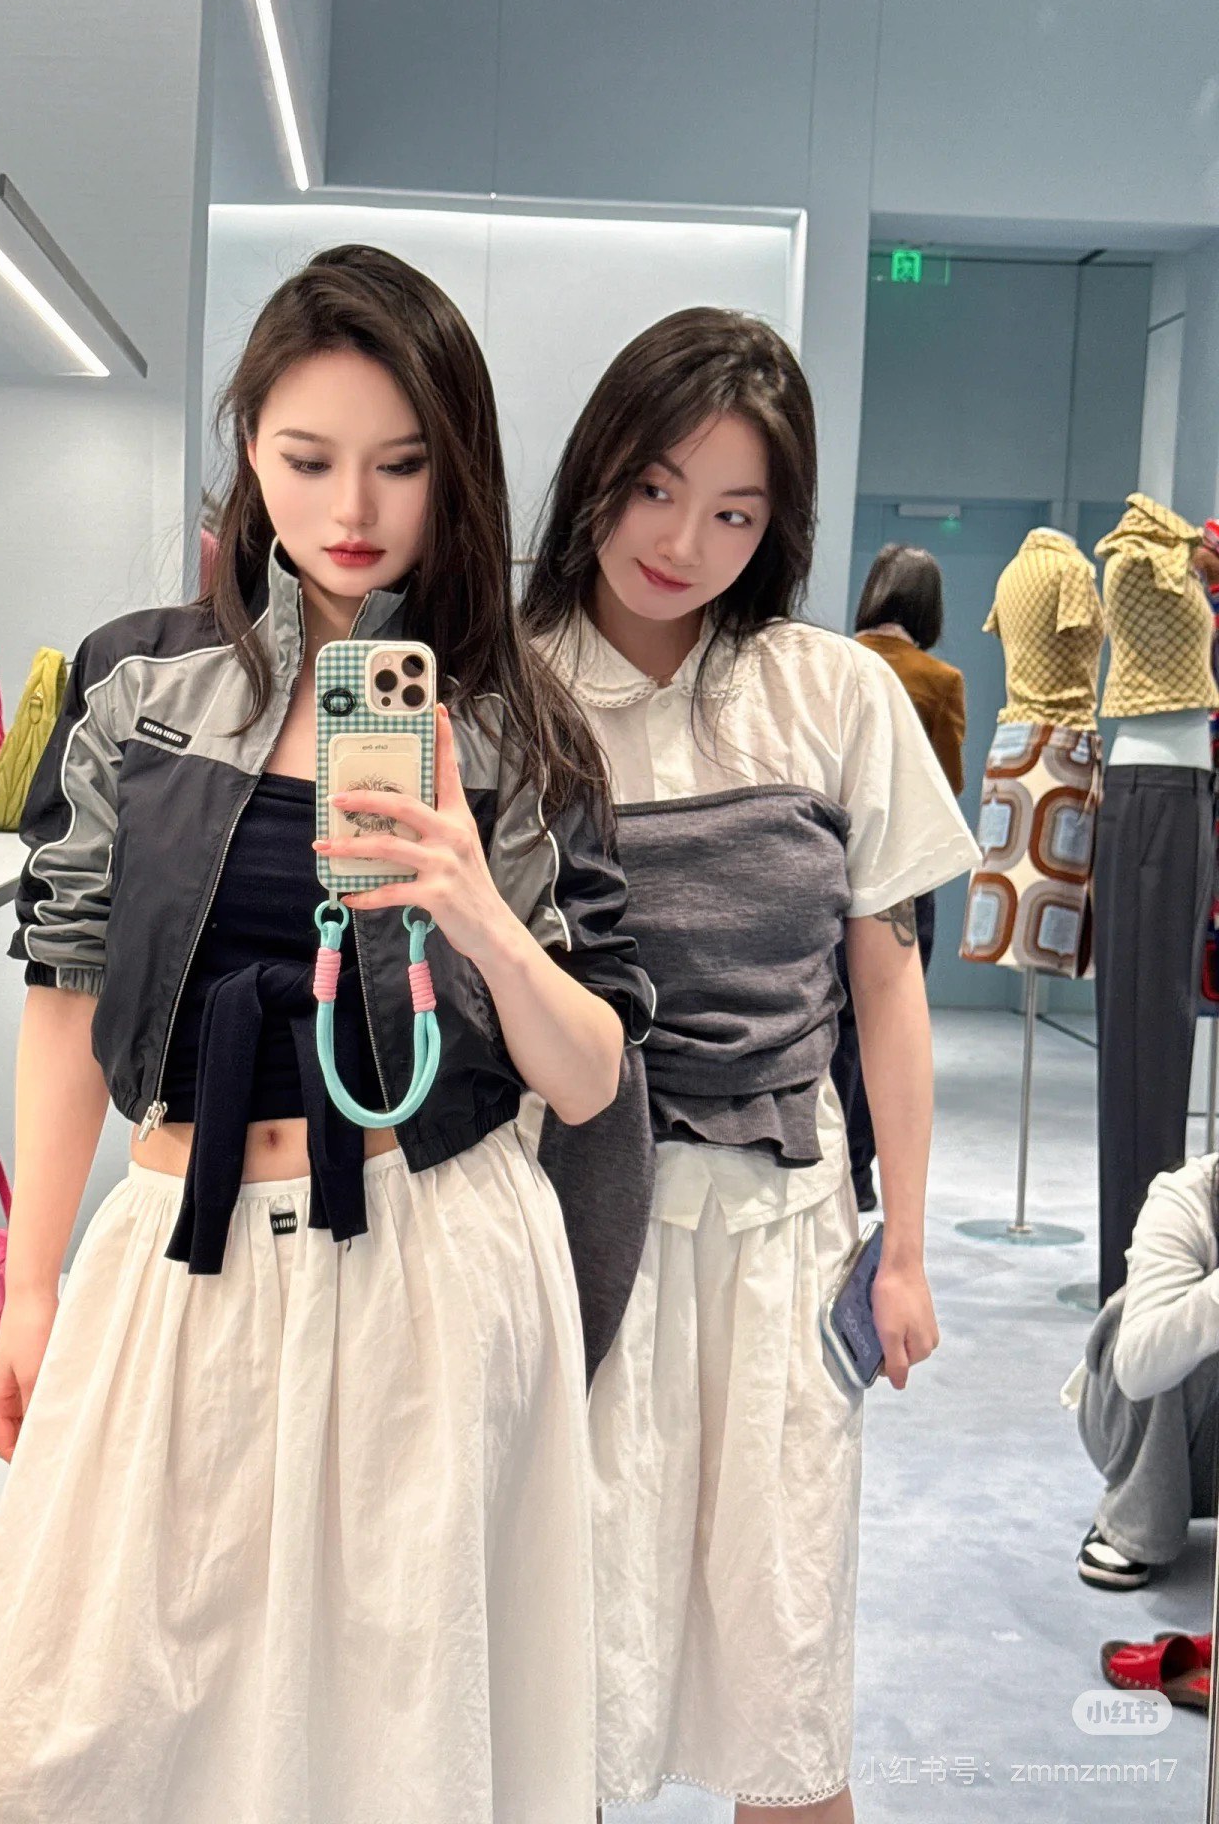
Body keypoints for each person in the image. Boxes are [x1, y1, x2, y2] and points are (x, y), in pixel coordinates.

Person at [0, 245, 653, 1824]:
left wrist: (473, 908)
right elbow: (64, 986)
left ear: (457, 470)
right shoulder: (140, 684)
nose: (353, 508)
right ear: (247, 450)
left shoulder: (512, 722)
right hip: (176, 1252)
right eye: (308, 458)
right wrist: (32, 1284)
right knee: (62, 1743)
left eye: (401, 463)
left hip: (427, 1257)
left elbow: (594, 1073)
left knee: (389, 1747)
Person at [522, 308, 979, 1820]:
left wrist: (906, 1249)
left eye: (735, 512)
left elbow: (886, 984)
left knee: (784, 1680)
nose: (683, 543)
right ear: (598, 470)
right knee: (560, 1678)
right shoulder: (505, 692)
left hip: (784, 1231)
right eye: (656, 489)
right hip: (573, 1230)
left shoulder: (830, 692)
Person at [834, 543, 967, 1209]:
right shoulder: (939, 681)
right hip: (903, 874)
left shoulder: (833, 661)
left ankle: (827, 1162)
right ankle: (858, 1173)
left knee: (829, 1020)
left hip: (828, 862)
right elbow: (946, 784)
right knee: (886, 1021)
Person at [1064, 1153, 1219, 1593]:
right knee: (1152, 1327)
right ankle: (1134, 1521)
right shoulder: (1185, 1199)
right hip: (1152, 1436)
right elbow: (1137, 1370)